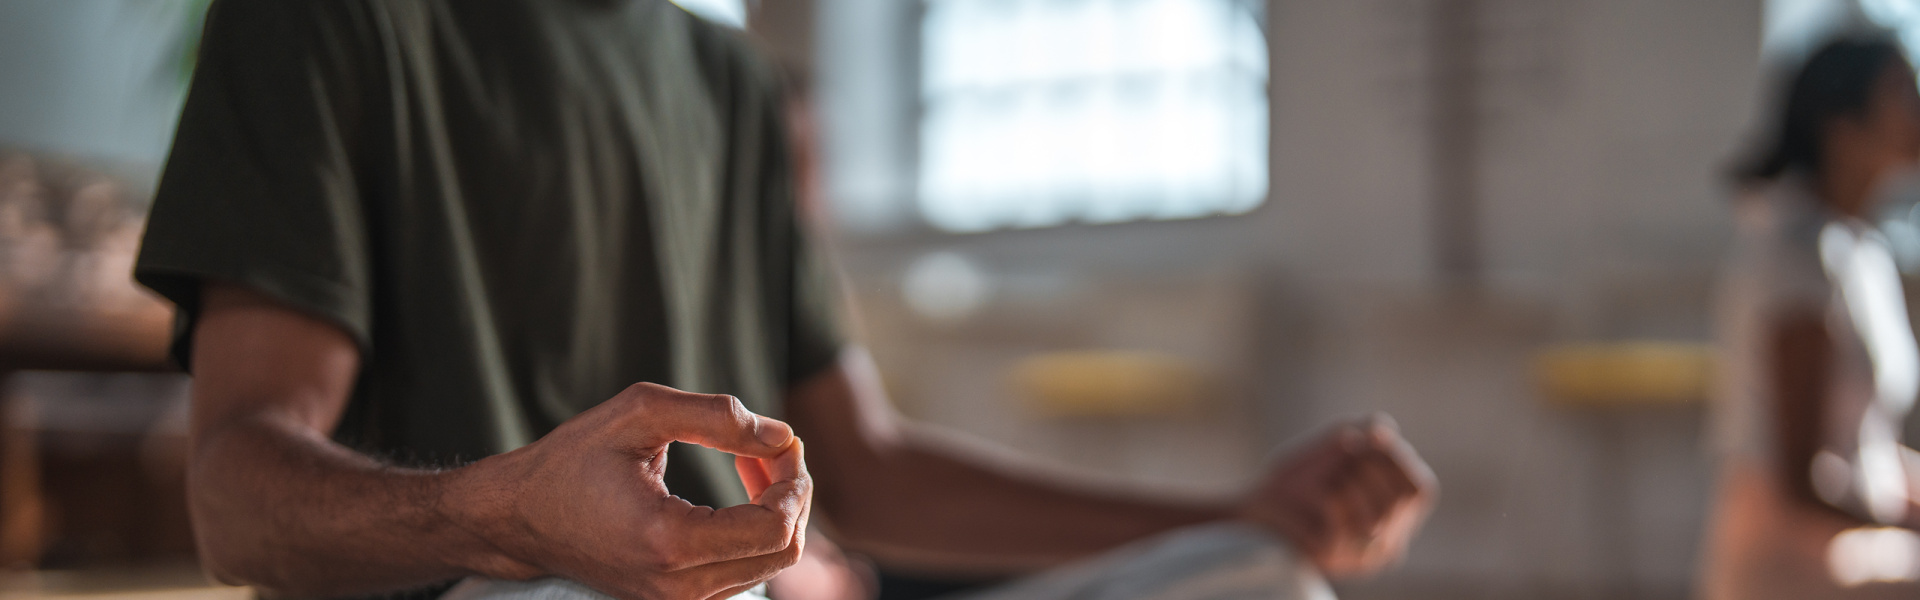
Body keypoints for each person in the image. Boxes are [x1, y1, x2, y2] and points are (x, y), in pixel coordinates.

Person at [131, 1, 1437, 599]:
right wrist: (511, 516)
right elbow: (234, 500)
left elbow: (859, 468)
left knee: (1255, 581)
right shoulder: (326, 23)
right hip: (516, 597)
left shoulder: (732, 84)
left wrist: (1244, 510)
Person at [1703, 34, 1920, 599]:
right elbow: (1805, 476)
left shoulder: (1860, 246)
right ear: (1843, 127)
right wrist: (1901, 522)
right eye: (1901, 92)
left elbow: (1862, 449)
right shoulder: (1795, 250)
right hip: (1793, 559)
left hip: (1848, 536)